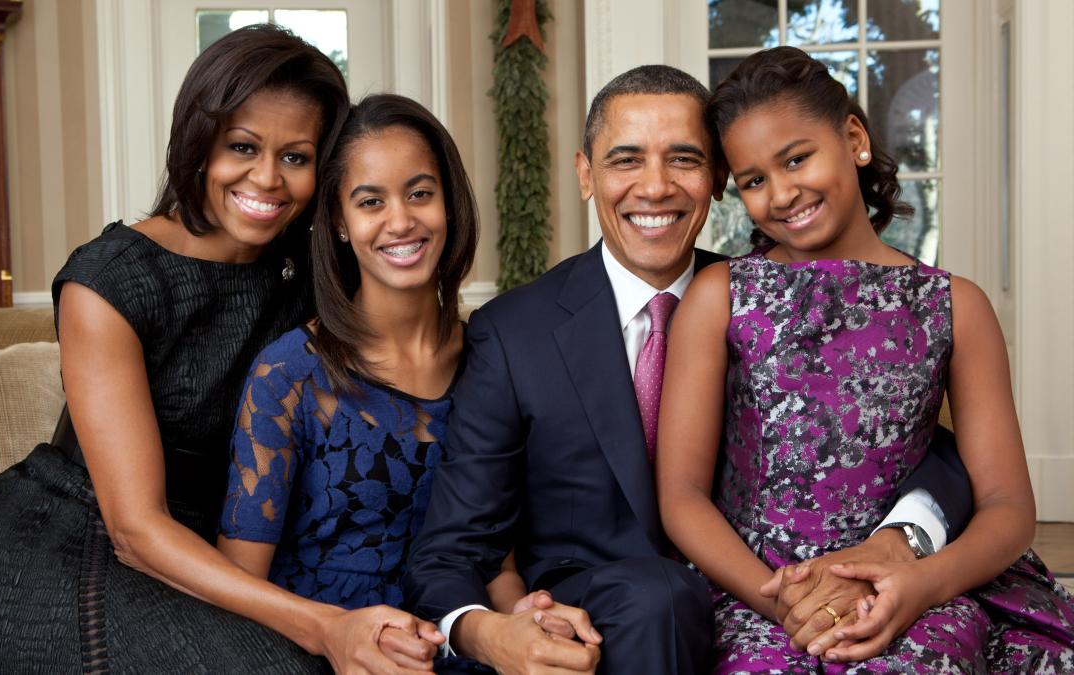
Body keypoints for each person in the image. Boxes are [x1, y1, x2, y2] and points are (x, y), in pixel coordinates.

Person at [403, 64, 975, 674]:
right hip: (606, 620)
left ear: (718, 178)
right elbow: (453, 546)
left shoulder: (766, 299)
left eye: (683, 159)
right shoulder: (515, 333)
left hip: (769, 596)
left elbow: (902, 433)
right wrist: (491, 632)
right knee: (661, 598)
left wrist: (905, 533)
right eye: (626, 160)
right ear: (586, 175)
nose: (655, 187)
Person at [0, 25, 353, 673]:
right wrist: (324, 624)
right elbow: (134, 528)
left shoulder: (309, 277)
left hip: (212, 547)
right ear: (198, 143)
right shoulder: (110, 280)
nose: (267, 178)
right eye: (241, 146)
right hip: (72, 541)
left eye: (295, 157)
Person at [657, 46, 1074, 672]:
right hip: (756, 587)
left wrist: (919, 585)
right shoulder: (721, 296)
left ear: (853, 139)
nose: (782, 193)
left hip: (914, 587)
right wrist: (786, 603)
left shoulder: (956, 305)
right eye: (753, 181)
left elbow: (1008, 507)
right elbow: (682, 495)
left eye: (796, 158)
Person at [214, 93, 485, 673]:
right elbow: (238, 585)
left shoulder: (493, 359)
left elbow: (500, 554)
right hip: (318, 654)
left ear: (449, 202)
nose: (401, 220)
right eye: (370, 201)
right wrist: (334, 635)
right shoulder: (289, 373)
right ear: (339, 220)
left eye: (420, 193)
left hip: (462, 645)